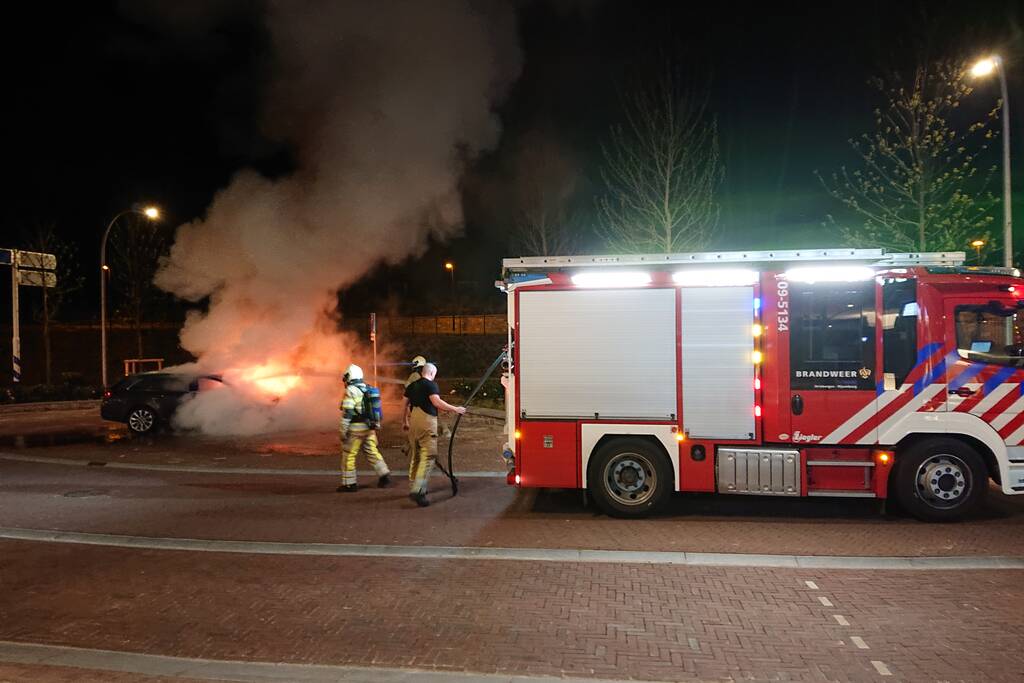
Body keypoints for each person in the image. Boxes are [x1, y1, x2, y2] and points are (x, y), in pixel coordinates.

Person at [403, 362, 465, 507]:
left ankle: (413, 485)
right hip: (426, 422)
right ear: (431, 373)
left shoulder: (412, 385)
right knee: (428, 455)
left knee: (416, 455)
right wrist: (455, 409)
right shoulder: (431, 385)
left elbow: (404, 404)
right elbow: (436, 402)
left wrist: (404, 421)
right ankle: (418, 491)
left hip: (414, 421)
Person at [338, 363, 391, 492]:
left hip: (356, 429)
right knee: (372, 451)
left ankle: (349, 484)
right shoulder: (368, 388)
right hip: (369, 428)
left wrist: (343, 431)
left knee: (349, 455)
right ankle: (384, 474)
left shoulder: (351, 390)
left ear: (349, 376)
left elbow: (348, 413)